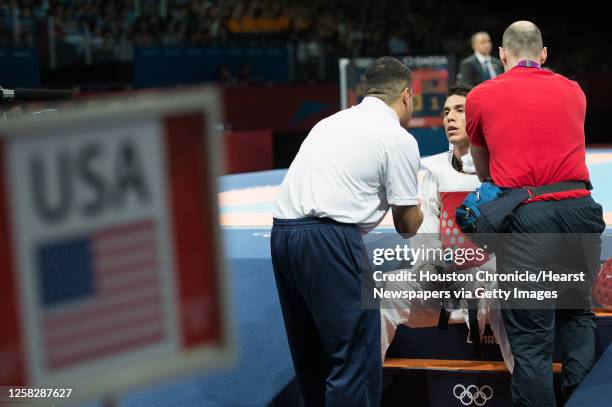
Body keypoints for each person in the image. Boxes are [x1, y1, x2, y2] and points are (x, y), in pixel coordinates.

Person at [466, 21, 606, 406]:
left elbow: (486, 177)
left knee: (531, 342)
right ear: (544, 54)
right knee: (577, 316)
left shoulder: (481, 95)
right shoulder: (574, 91)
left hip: (529, 222)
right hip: (581, 214)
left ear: (501, 55)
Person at [271, 56, 423, 407]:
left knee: (313, 358)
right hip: (330, 240)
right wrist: (420, 209)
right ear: (406, 95)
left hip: (283, 236)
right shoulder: (396, 138)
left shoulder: (329, 123)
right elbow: (406, 225)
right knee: (355, 357)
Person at [380, 84, 514, 373]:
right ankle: (362, 385)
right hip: (445, 285)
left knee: (508, 290)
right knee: (388, 288)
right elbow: (425, 239)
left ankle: (526, 384)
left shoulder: (503, 169)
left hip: (491, 283)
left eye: (460, 110)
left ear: (478, 118)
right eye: (446, 112)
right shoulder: (433, 172)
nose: (449, 118)